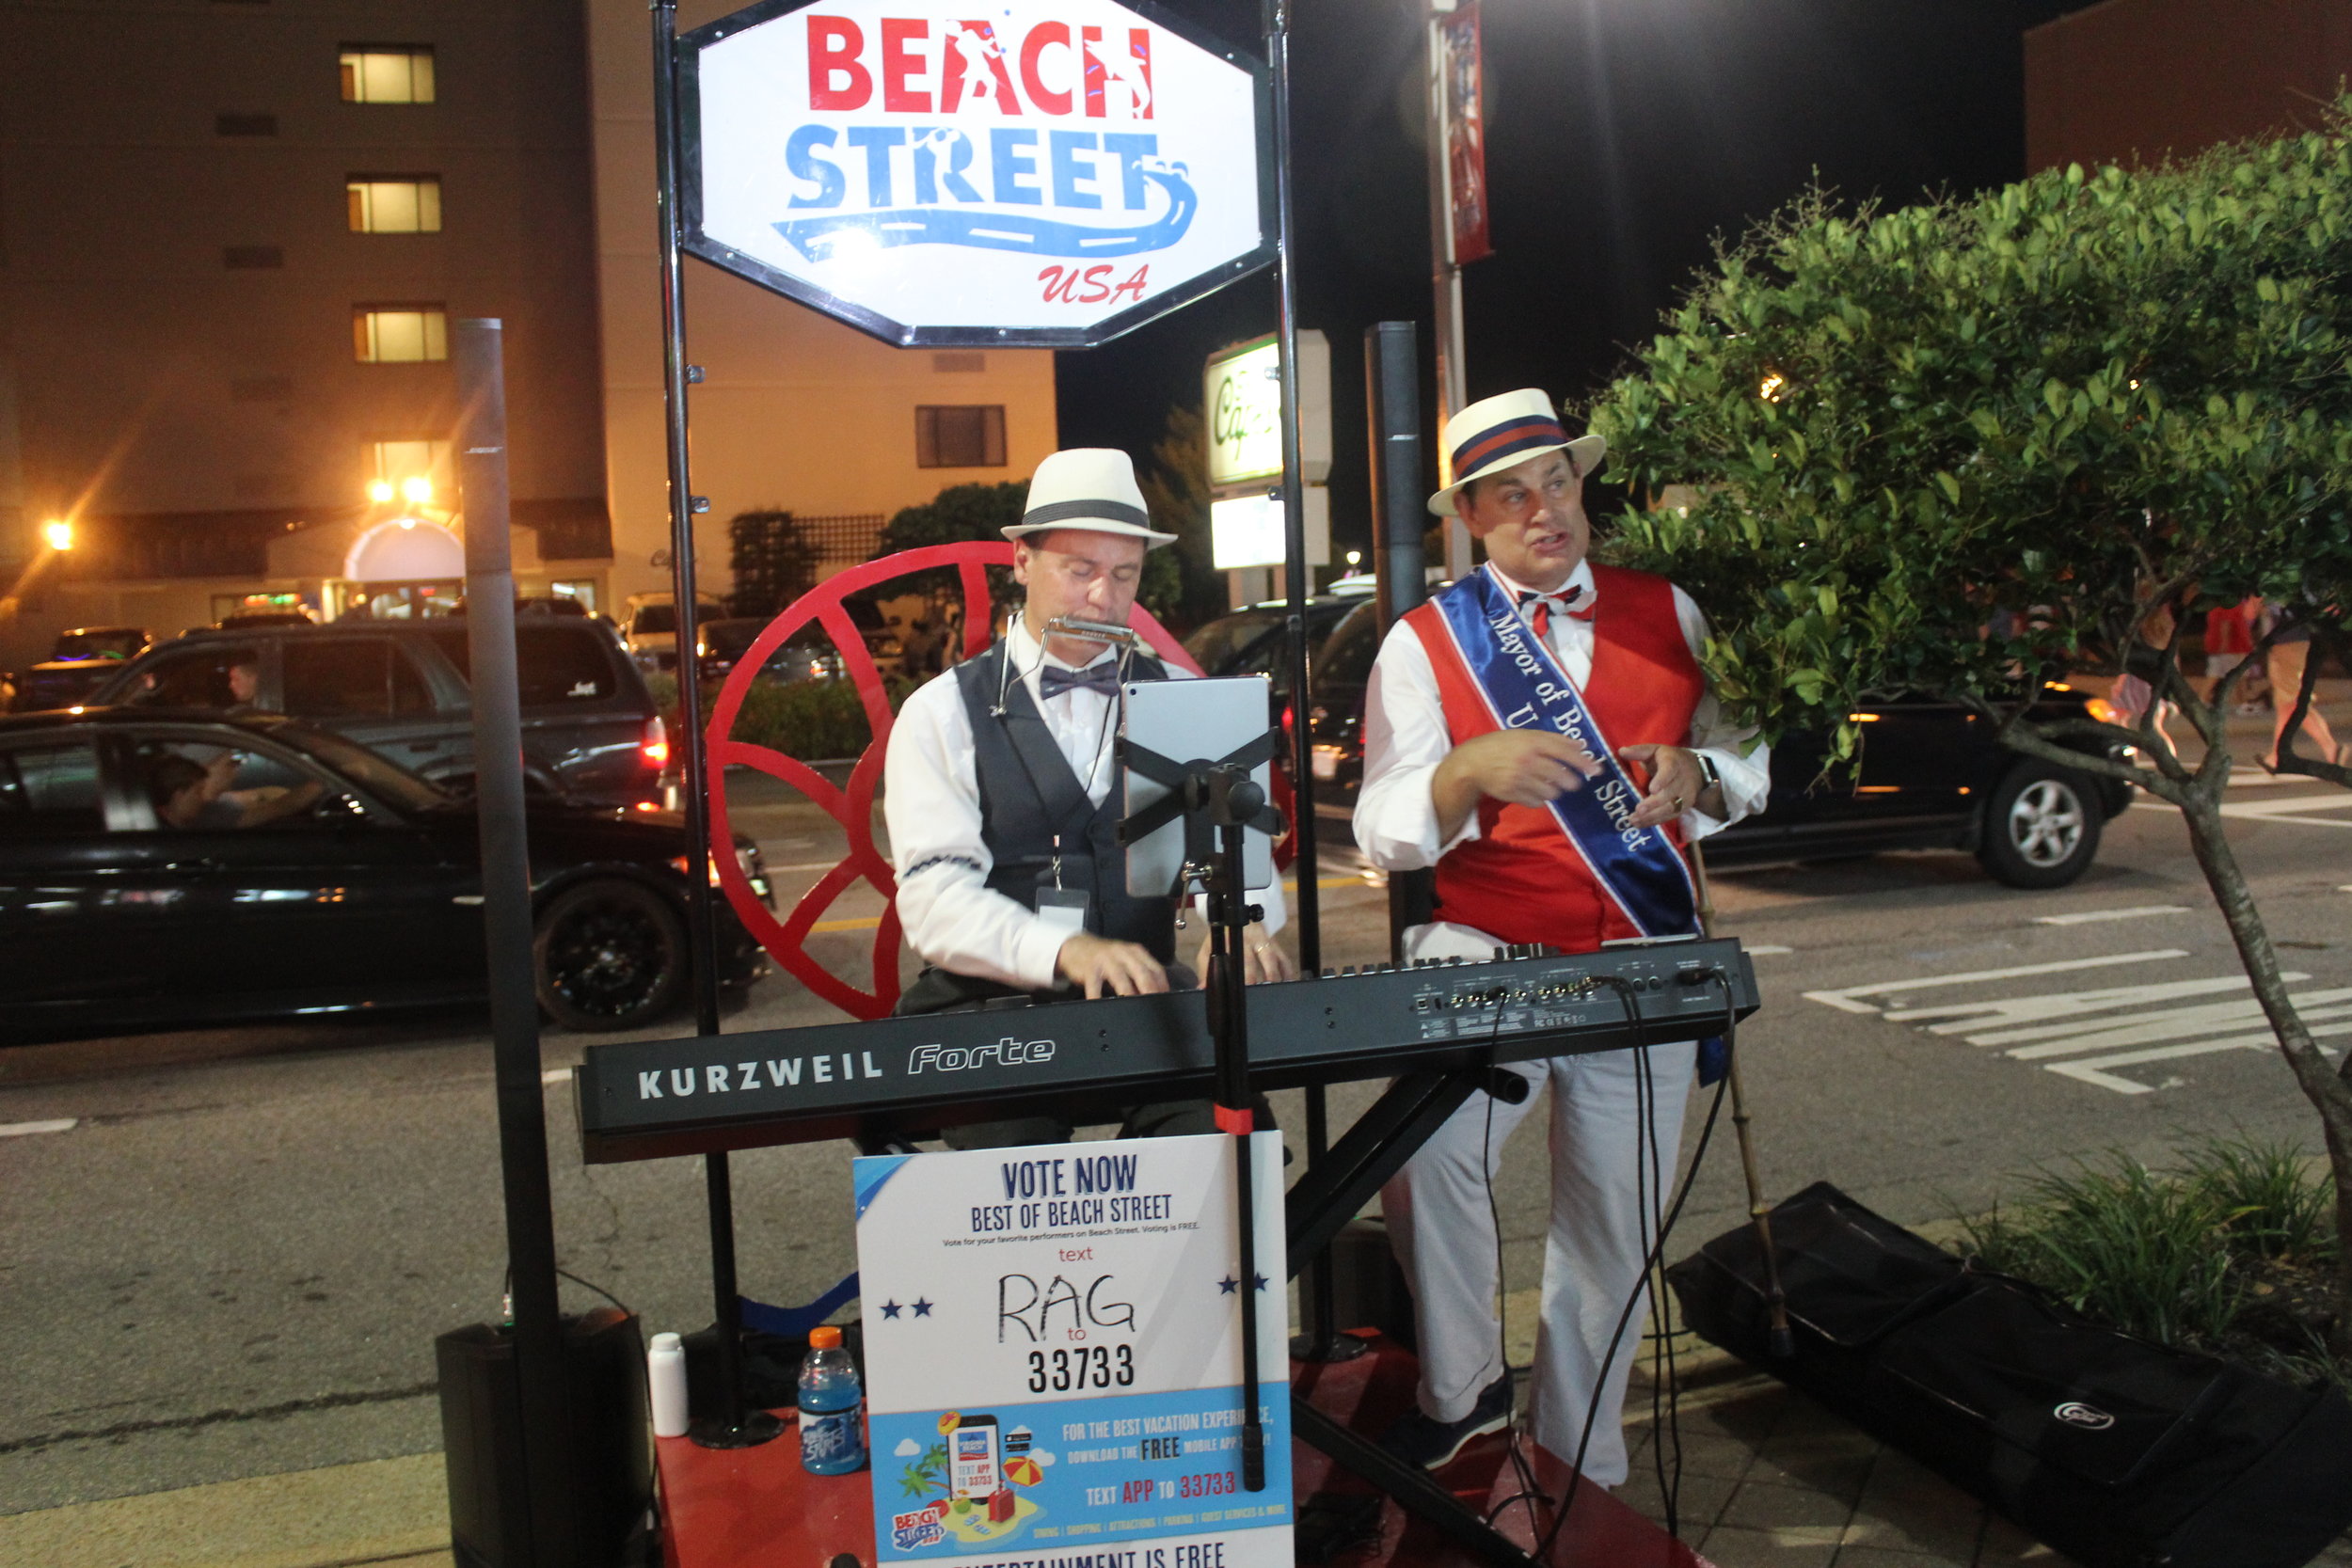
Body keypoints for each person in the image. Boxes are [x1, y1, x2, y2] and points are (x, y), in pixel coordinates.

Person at [1352, 389, 1769, 1481]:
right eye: (1510, 492)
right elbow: (1382, 829)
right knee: (1423, 1160)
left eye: (1557, 482)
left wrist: (1702, 776)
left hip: (1641, 951)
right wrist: (1459, 772)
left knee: (1612, 1217)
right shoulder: (1424, 639)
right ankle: (1462, 1391)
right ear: (1473, 518)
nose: (1542, 509)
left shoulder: (1669, 608)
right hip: (1484, 939)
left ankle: (1580, 1451)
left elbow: (1748, 758)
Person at [883, 449, 1295, 1149]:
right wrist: (1067, 949)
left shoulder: (1181, 696)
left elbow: (1239, 863)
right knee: (1013, 1177)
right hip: (990, 1012)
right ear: (1020, 561)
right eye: (1079, 570)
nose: (1103, 598)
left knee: (1229, 1156)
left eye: (1123, 573)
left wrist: (1243, 923)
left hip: (1143, 1005)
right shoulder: (940, 711)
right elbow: (932, 900)